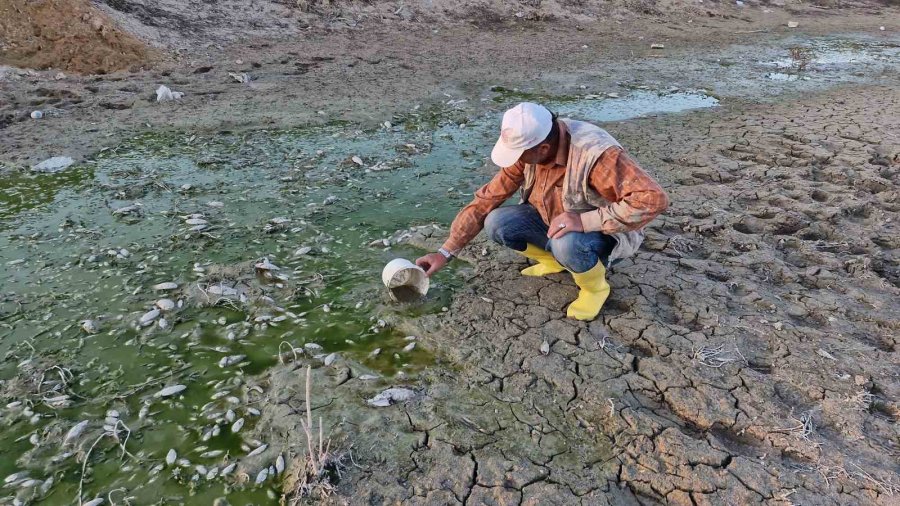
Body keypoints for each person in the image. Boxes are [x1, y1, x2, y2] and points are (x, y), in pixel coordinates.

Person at [416, 102, 669, 321]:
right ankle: (554, 261)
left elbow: (652, 200)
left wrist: (584, 220)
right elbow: (487, 199)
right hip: (552, 222)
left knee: (566, 243)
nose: (517, 160)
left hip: (601, 235)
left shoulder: (595, 154)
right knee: (496, 222)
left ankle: (595, 288)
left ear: (543, 149)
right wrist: (445, 252)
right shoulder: (532, 146)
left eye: (521, 155)